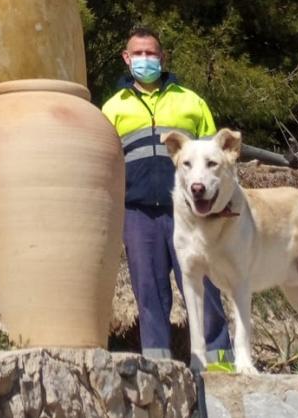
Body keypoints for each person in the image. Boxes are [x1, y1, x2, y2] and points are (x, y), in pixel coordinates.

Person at [101, 25, 233, 370]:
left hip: (191, 213)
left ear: (163, 57)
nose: (145, 59)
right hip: (138, 213)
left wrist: (221, 208)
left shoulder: (191, 102)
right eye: (138, 54)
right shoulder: (112, 108)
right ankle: (157, 369)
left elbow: (218, 161)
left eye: (151, 53)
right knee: (149, 293)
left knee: (205, 285)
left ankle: (219, 362)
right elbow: (105, 165)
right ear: (126, 59)